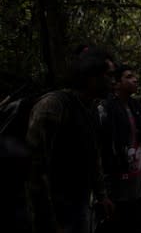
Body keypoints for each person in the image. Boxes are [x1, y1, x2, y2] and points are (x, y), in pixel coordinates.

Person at [26, 46, 115, 233]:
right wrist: (47, 220)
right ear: (91, 76)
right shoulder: (53, 106)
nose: (113, 82)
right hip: (54, 209)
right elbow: (34, 169)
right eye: (109, 76)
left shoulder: (91, 109)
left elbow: (93, 155)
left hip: (78, 204)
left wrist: (101, 195)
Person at [97, 64, 141, 233]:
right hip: (115, 180)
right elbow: (101, 146)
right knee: (116, 220)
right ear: (116, 83)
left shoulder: (135, 105)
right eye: (129, 76)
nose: (135, 79)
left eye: (134, 76)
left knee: (135, 218)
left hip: (135, 177)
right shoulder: (105, 108)